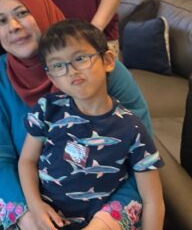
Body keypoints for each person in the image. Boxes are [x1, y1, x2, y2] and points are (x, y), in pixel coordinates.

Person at [0, 0, 153, 230]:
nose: (13, 26)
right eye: (1, 21)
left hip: (105, 209)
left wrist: (106, 221)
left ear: (43, 12)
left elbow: (143, 155)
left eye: (22, 13)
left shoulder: (100, 68)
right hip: (32, 204)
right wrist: (27, 216)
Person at [18, 19, 164, 230]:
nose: (71, 70)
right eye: (59, 65)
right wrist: (35, 205)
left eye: (80, 58)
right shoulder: (47, 109)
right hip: (46, 217)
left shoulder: (132, 128)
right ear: (52, 77)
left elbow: (153, 201)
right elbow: (27, 161)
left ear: (108, 61)